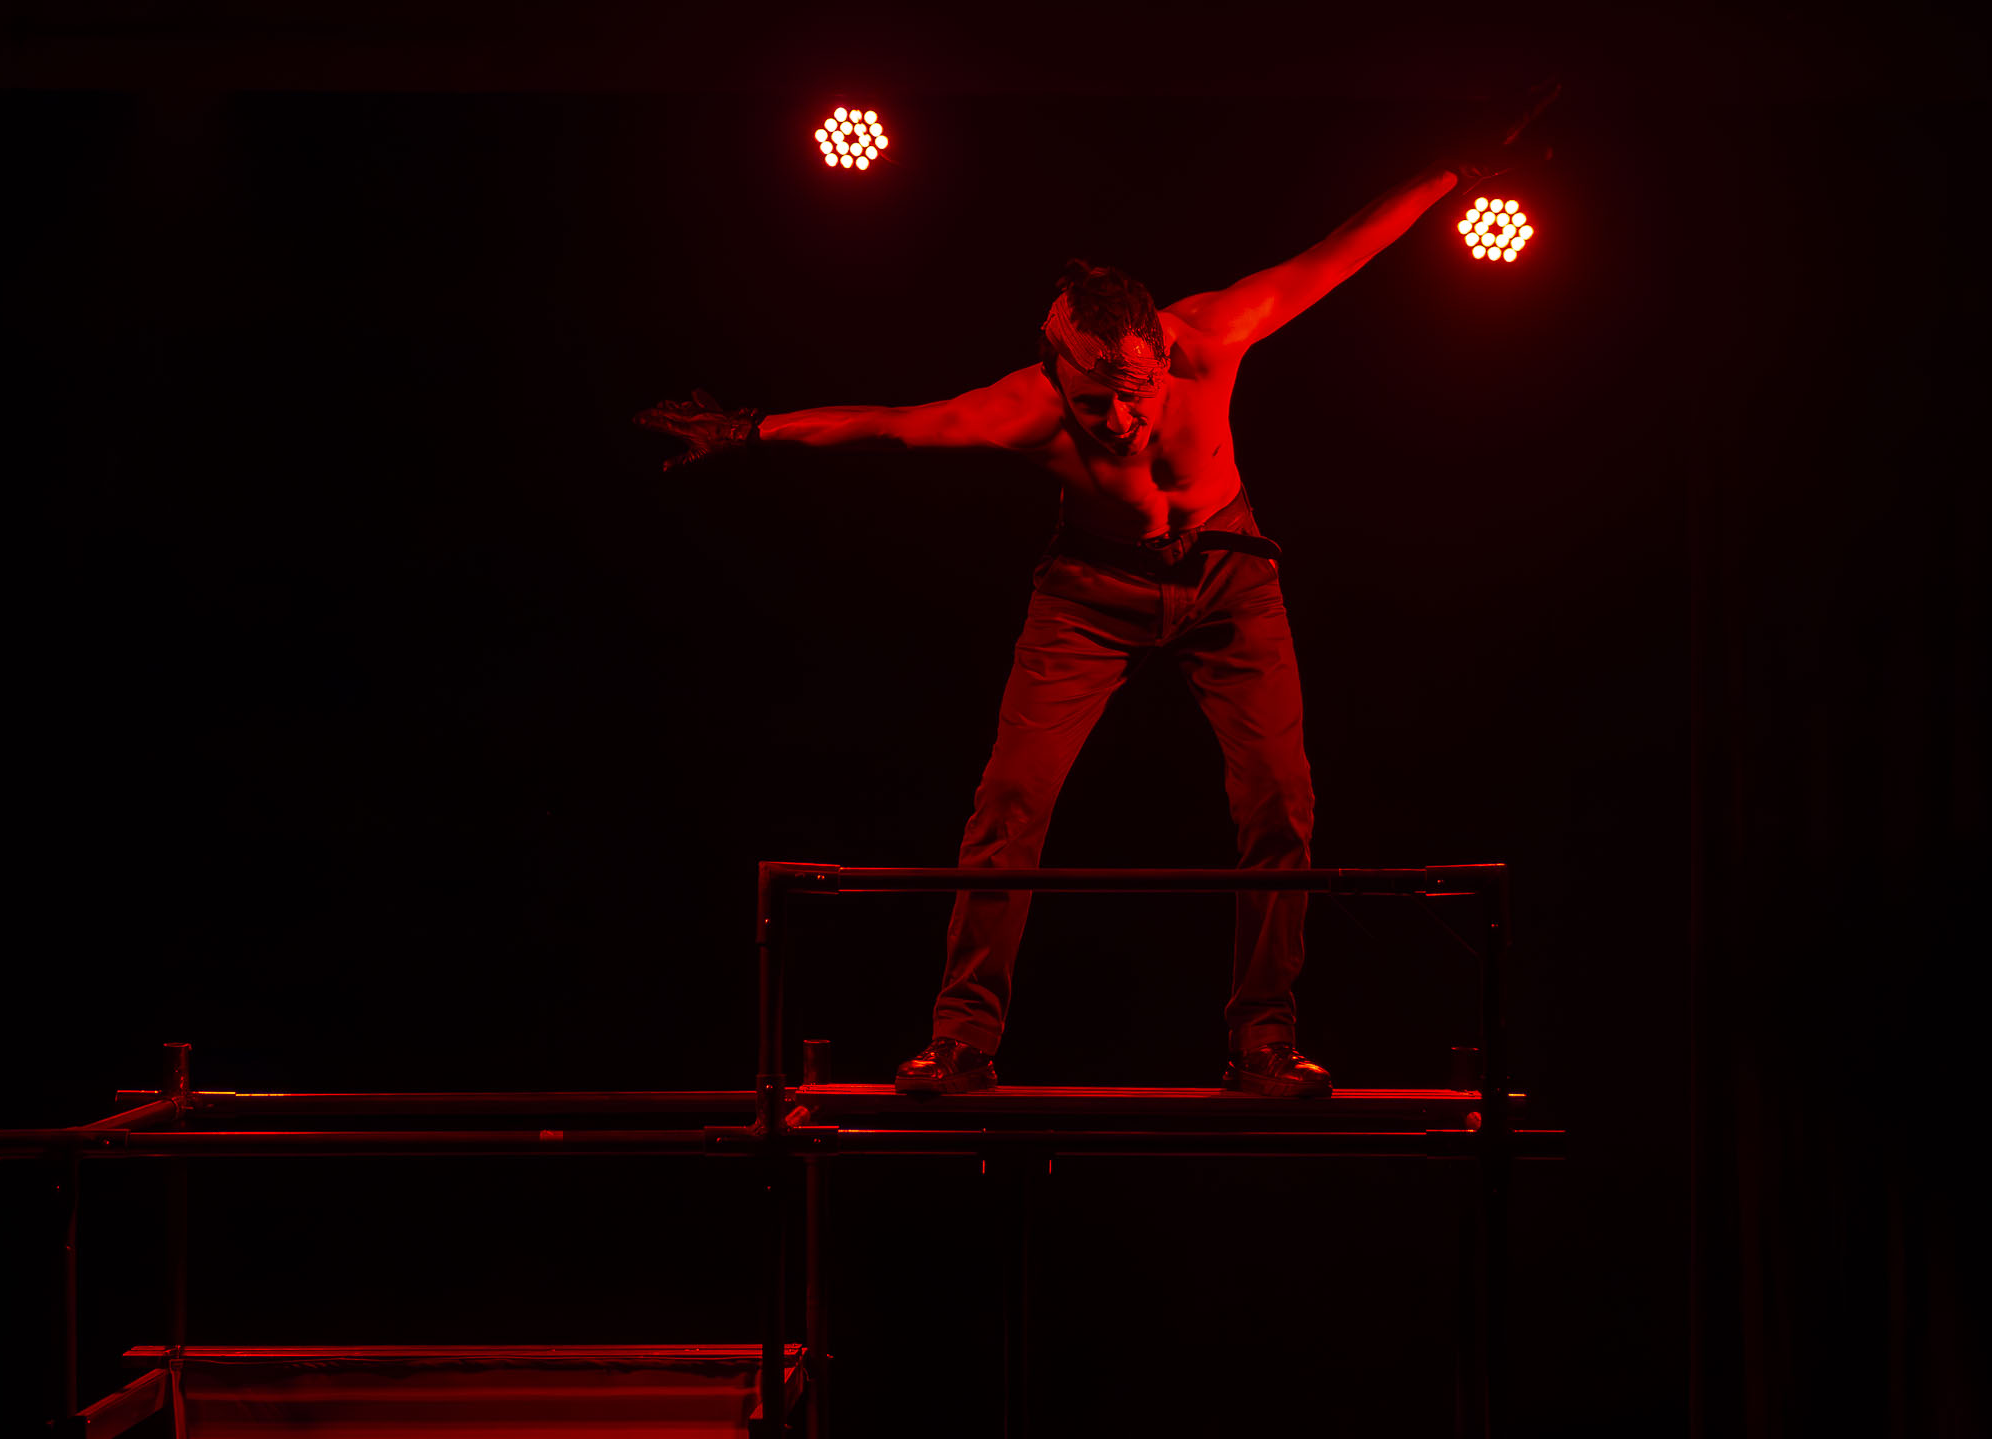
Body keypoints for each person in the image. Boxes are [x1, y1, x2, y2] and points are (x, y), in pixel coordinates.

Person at [638, 88, 1557, 1098]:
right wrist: (750, 429)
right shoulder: (1020, 410)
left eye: (1138, 391)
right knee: (1009, 803)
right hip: (1087, 595)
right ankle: (961, 1042)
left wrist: (1451, 170)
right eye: (1096, 401)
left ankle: (1262, 1041)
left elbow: (1335, 254)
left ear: (1161, 354)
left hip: (1229, 582)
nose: (1121, 419)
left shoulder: (1211, 335)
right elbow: (890, 423)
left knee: (1280, 801)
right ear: (1057, 371)